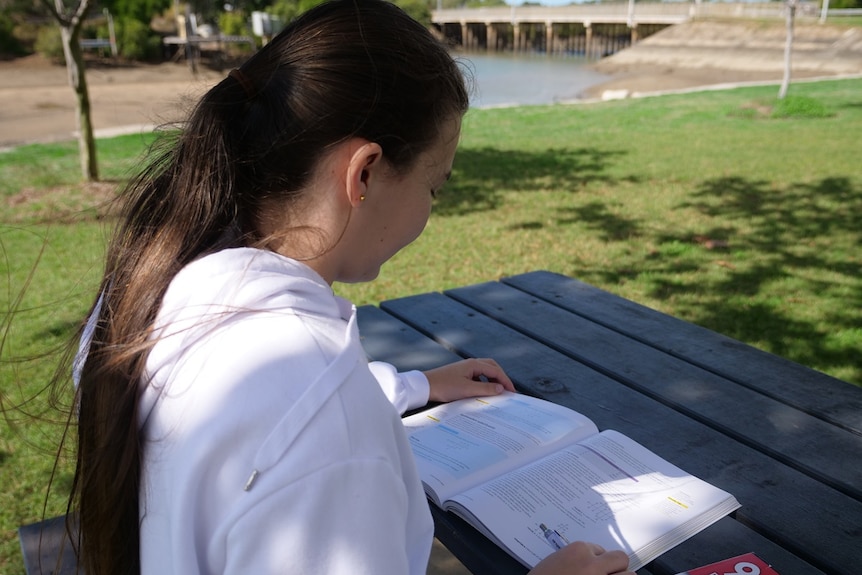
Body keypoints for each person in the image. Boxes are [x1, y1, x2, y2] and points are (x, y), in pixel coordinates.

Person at [67, 1, 635, 574]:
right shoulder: (324, 417)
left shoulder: (160, 286)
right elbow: (305, 423)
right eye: (434, 187)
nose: (428, 210)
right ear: (362, 173)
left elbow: (254, 414)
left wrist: (413, 385)